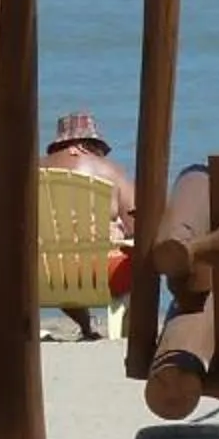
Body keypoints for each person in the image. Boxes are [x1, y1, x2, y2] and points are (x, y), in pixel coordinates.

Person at [42, 109, 135, 336]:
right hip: (99, 273)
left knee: (57, 251)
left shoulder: (31, 169)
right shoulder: (112, 172)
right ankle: (123, 331)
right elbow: (137, 224)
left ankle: (86, 326)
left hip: (40, 273)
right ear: (89, 143)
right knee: (136, 254)